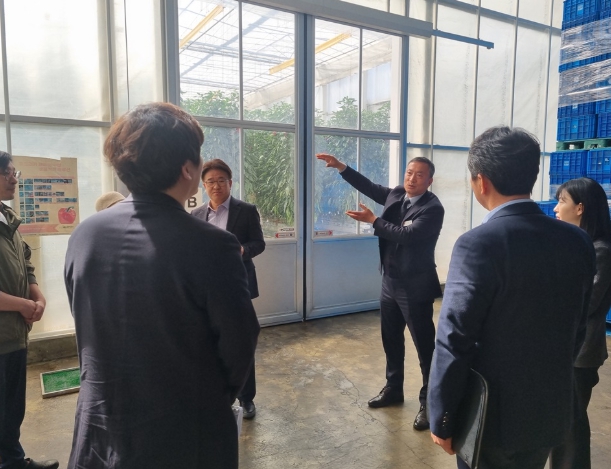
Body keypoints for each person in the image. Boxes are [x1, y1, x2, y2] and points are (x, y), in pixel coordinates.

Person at [64, 103, 260, 469]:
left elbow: (87, 325)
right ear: (188, 168)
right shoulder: (212, 245)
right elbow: (240, 341)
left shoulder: (85, 235)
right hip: (182, 431)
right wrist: (211, 399)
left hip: (100, 426)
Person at [428, 126, 596, 469]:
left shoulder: (478, 244)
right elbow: (578, 326)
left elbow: (454, 339)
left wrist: (442, 416)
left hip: (491, 417)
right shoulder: (576, 240)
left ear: (481, 181)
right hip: (550, 411)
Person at [316, 152, 444, 430]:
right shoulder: (397, 194)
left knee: (424, 346)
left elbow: (407, 236)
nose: (412, 179)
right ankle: (393, 388)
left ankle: (430, 402)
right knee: (391, 338)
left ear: (429, 181)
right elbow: (369, 187)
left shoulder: (433, 208)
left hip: (415, 286)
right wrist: (341, 167)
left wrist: (374, 221)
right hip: (390, 281)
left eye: (419, 175)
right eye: (409, 173)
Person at [192, 158, 265, 419]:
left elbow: (259, 243)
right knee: (207, 341)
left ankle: (246, 397)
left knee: (241, 340)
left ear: (230, 183)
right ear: (203, 185)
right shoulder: (197, 215)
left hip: (237, 284)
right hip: (205, 287)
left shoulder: (246, 210)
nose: (216, 186)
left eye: (221, 180)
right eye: (210, 181)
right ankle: (216, 393)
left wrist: (243, 250)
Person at [0, 152, 58, 469]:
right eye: (7, 173)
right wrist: (23, 305)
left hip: (14, 333)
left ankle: (13, 461)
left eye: (15, 172)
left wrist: (37, 296)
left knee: (11, 408)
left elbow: (26, 264)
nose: (14, 178)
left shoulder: (8, 219)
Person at [550, 177, 611, 469]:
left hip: (581, 351)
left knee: (571, 424)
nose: (556, 208)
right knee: (562, 420)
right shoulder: (579, 244)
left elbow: (586, 303)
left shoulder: (600, 250)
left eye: (562, 201)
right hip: (568, 347)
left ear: (581, 208)